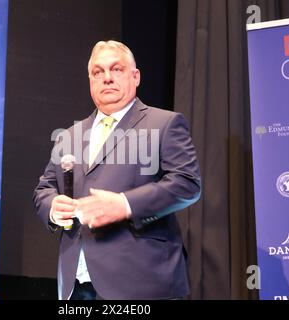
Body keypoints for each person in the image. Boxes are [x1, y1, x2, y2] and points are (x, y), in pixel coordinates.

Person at [33, 40, 201, 300]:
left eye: (116, 69)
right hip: (74, 285)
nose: (107, 78)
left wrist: (125, 204)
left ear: (135, 77)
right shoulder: (69, 136)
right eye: (98, 72)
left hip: (140, 282)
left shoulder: (164, 123)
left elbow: (187, 184)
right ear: (90, 81)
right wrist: (53, 207)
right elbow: (45, 188)